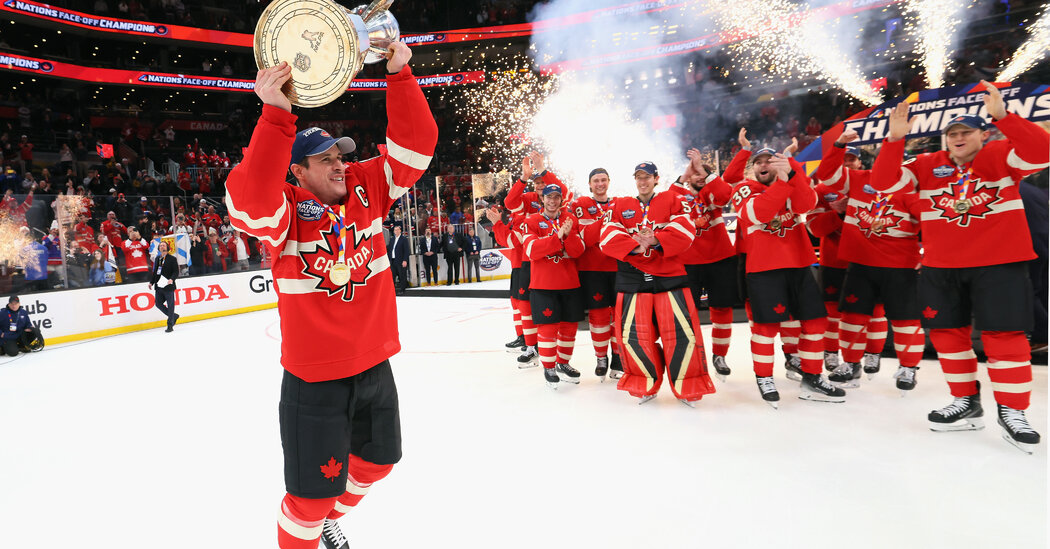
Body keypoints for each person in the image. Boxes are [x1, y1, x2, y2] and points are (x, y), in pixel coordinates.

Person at [223, 42, 437, 549]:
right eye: (324, 161)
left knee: (379, 463)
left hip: (374, 365)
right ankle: (312, 525)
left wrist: (400, 73)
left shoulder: (366, 185)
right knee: (307, 504)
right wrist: (276, 115)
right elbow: (248, 203)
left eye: (340, 154)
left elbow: (416, 149)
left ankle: (325, 520)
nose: (340, 164)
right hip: (315, 378)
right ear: (297, 171)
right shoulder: (285, 213)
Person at [871, 82, 1048, 453]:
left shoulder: (1003, 155)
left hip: (999, 265)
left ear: (984, 134)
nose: (958, 138)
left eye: (966, 131)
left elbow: (1042, 150)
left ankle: (1013, 411)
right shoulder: (925, 165)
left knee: (1006, 338)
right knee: (949, 337)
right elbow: (883, 183)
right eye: (952, 133)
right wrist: (894, 140)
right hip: (941, 266)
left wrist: (1004, 116)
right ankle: (966, 401)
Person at [733, 140, 847, 407]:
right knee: (765, 328)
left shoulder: (790, 181)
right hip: (764, 268)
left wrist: (793, 172)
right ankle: (764, 378)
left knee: (816, 323)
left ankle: (812, 377)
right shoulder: (743, 188)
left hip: (798, 264)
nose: (763, 165)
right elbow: (757, 213)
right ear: (752, 169)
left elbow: (806, 203)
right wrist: (784, 183)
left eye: (769, 161)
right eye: (758, 162)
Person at [812, 129, 926, 394]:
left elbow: (932, 222)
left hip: (901, 265)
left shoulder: (912, 187)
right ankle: (851, 364)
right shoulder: (859, 179)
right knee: (852, 317)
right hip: (860, 263)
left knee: (905, 319)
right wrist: (839, 144)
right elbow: (828, 174)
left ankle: (909, 367)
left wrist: (930, 251)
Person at [598, 161, 716, 406]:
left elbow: (686, 229)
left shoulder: (672, 199)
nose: (643, 182)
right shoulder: (620, 204)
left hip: (669, 276)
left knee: (681, 334)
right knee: (635, 337)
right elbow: (607, 236)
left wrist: (656, 240)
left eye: (647, 177)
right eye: (638, 177)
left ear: (656, 178)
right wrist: (636, 245)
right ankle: (644, 383)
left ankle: (688, 385)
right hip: (632, 280)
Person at [671, 149, 738, 382]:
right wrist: (684, 177)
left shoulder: (713, 192)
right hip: (689, 261)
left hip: (719, 258)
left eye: (704, 174)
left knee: (722, 309)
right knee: (688, 313)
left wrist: (704, 172)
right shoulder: (680, 197)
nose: (700, 178)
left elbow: (725, 194)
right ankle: (692, 354)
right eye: (696, 175)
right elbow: (670, 198)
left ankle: (719, 355)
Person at [522, 182, 585, 388]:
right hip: (543, 284)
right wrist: (557, 238)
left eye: (556, 197)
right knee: (548, 328)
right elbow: (532, 250)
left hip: (569, 283)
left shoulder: (570, 219)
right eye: (549, 197)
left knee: (569, 327)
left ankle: (563, 363)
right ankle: (549, 367)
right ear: (542, 199)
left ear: (561, 200)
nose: (552, 200)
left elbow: (577, 251)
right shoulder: (532, 220)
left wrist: (566, 237)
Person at [569, 167, 622, 380]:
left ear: (609, 182)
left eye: (603, 180)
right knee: (598, 316)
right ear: (590, 184)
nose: (600, 184)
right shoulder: (580, 205)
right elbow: (586, 239)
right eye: (596, 181)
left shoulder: (620, 204)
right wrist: (606, 222)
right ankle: (601, 357)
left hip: (618, 268)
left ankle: (618, 358)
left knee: (618, 316)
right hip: (592, 270)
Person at [149, 241, 180, 333]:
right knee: (158, 304)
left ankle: (170, 324)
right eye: (160, 245)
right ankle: (174, 316)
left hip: (168, 285)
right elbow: (155, 272)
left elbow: (175, 272)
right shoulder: (158, 258)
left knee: (170, 305)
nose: (162, 246)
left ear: (167, 247)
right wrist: (151, 282)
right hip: (159, 285)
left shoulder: (172, 259)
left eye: (164, 245)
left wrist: (172, 279)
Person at [387, 224, 409, 294]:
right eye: (395, 230)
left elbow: (406, 250)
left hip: (401, 260)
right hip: (393, 260)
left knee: (402, 275)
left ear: (400, 231)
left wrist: (405, 260)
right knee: (392, 276)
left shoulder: (404, 239)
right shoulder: (392, 239)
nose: (396, 231)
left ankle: (402, 290)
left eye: (397, 230)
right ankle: (392, 291)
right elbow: (390, 249)